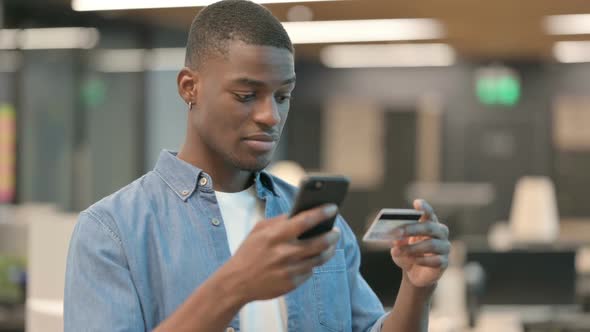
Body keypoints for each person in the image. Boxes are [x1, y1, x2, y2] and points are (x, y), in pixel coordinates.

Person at [64, 1, 451, 331]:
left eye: (283, 96)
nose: (270, 116)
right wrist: (234, 286)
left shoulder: (316, 222)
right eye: (247, 95)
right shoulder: (112, 232)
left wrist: (416, 289)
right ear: (189, 88)